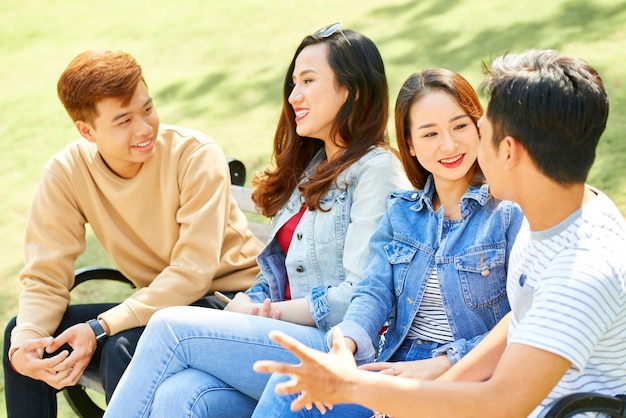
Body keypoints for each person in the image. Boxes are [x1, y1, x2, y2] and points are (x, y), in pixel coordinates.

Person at [253, 49, 626, 418]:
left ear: (508, 150)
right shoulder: (564, 216)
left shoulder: (580, 272)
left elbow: (500, 403)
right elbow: (521, 318)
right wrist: (424, 384)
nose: (464, 141)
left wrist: (358, 388)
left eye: (480, 126)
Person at [102, 23, 411, 417]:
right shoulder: (313, 167)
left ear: (350, 90)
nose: (293, 95)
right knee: (180, 393)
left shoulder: (376, 170)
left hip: (339, 350)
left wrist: (272, 312)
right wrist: (253, 301)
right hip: (282, 338)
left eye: (308, 81)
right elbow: (275, 277)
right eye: (293, 83)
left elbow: (359, 296)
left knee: (169, 328)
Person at [3, 49, 263, 417]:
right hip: (159, 306)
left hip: (228, 302)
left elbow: (193, 272)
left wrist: (100, 328)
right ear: (86, 131)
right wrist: (26, 343)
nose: (144, 128)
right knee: (24, 337)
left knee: (120, 346)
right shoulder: (67, 173)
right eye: (123, 120)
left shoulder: (194, 155)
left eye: (147, 108)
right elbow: (45, 277)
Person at [252, 68, 525, 417]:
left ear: (478, 127)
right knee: (292, 392)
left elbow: (523, 318)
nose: (449, 145)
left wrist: (442, 363)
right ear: (409, 144)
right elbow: (373, 291)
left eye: (460, 126)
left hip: (467, 380)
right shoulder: (402, 212)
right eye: (430, 133)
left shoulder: (507, 211)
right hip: (395, 367)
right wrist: (344, 344)